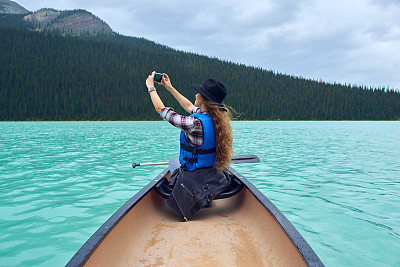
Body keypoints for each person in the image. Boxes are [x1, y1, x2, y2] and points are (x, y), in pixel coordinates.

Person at [145, 71, 234, 221]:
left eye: (198, 93)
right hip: (212, 175)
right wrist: (170, 88)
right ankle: (206, 195)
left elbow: (161, 110)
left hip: (194, 177)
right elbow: (188, 106)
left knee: (173, 161)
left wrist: (150, 87)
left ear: (204, 99)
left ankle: (196, 195)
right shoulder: (215, 118)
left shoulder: (194, 124)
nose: (196, 95)